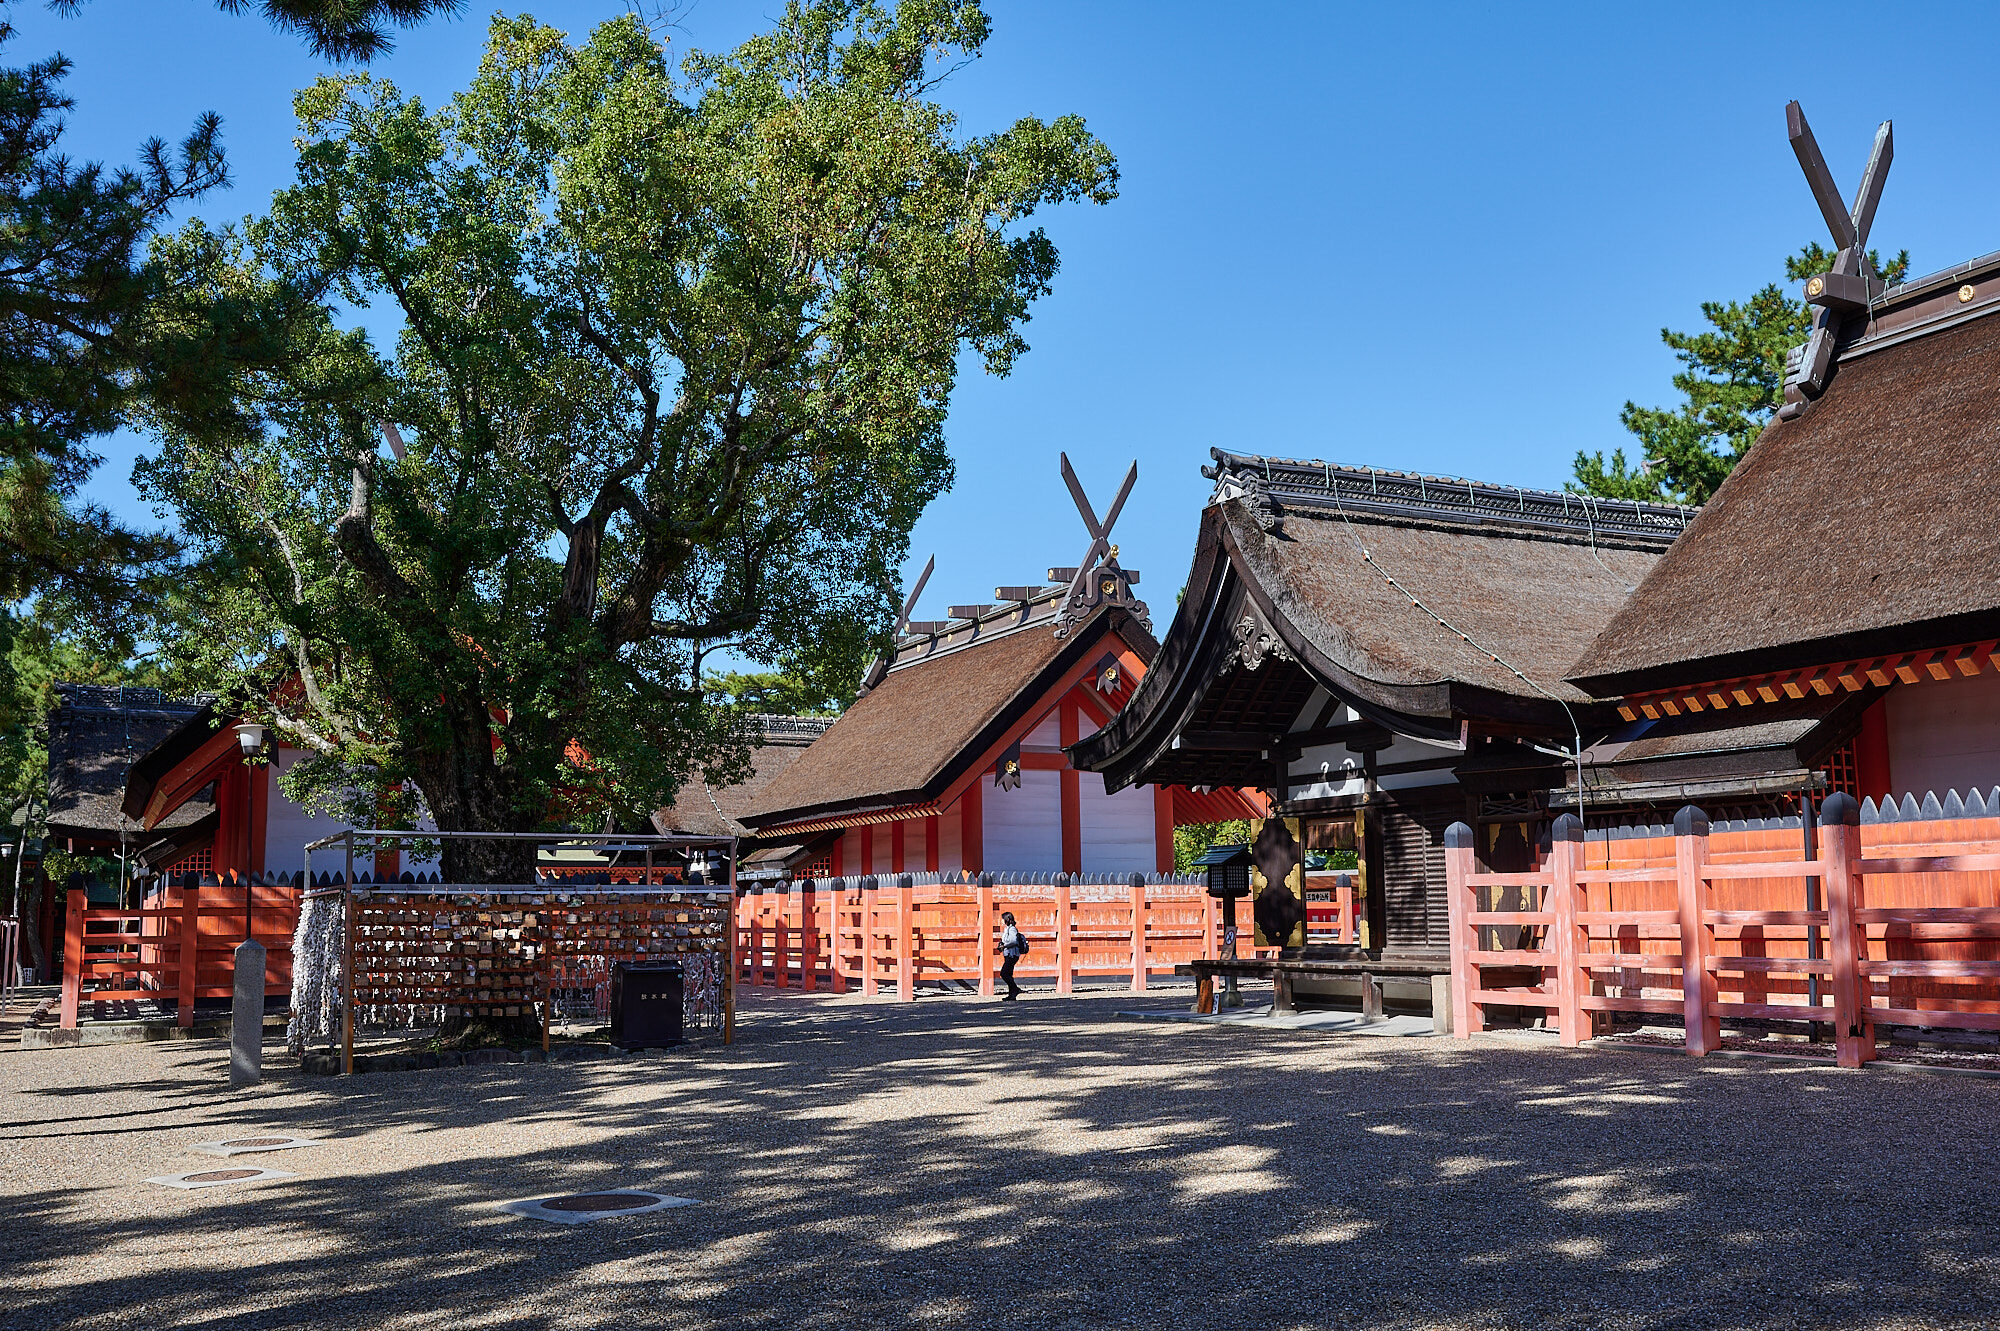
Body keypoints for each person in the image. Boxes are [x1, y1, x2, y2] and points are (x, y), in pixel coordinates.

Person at [998, 910, 1026, 1000]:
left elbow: (1013, 941)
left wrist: (1004, 946)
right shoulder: (1007, 929)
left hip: (1012, 954)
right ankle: (1012, 995)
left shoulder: (1012, 929)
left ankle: (1015, 989)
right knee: (1008, 974)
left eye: (1003, 919)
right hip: (1009, 954)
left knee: (1004, 973)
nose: (1002, 921)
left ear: (1007, 919)